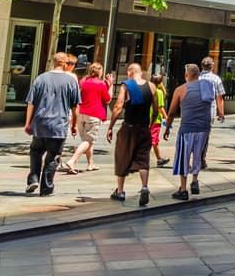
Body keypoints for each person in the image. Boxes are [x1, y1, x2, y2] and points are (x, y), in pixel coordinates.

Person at [24, 52, 81, 196]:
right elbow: (75, 106)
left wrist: (27, 122)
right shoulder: (71, 82)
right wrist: (74, 124)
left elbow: (31, 103)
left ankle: (34, 178)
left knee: (36, 151)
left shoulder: (40, 79)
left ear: (54, 62)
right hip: (58, 124)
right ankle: (46, 187)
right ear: (64, 63)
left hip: (40, 122)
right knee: (53, 156)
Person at [107, 62, 162, 206]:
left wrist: (110, 126)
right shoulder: (151, 86)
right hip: (144, 128)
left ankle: (120, 191)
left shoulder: (126, 85)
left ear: (130, 72)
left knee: (122, 156)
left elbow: (118, 107)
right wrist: (150, 125)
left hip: (129, 127)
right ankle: (144, 187)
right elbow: (155, 110)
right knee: (143, 158)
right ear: (141, 72)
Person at [163, 64, 214, 200]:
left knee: (183, 157)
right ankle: (195, 180)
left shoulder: (180, 90)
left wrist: (167, 127)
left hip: (187, 129)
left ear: (186, 75)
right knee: (198, 155)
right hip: (204, 128)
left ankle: (183, 188)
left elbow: (172, 112)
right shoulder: (207, 86)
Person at [62, 63, 110, 174]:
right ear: (99, 72)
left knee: (88, 141)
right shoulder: (101, 84)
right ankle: (72, 161)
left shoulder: (83, 82)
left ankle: (90, 163)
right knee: (89, 140)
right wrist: (111, 86)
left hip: (81, 113)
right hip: (94, 114)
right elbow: (107, 99)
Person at [148, 73, 170, 168]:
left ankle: (159, 159)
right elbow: (160, 107)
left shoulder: (147, 90)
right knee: (153, 140)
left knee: (153, 140)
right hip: (155, 120)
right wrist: (167, 118)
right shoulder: (158, 92)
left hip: (146, 119)